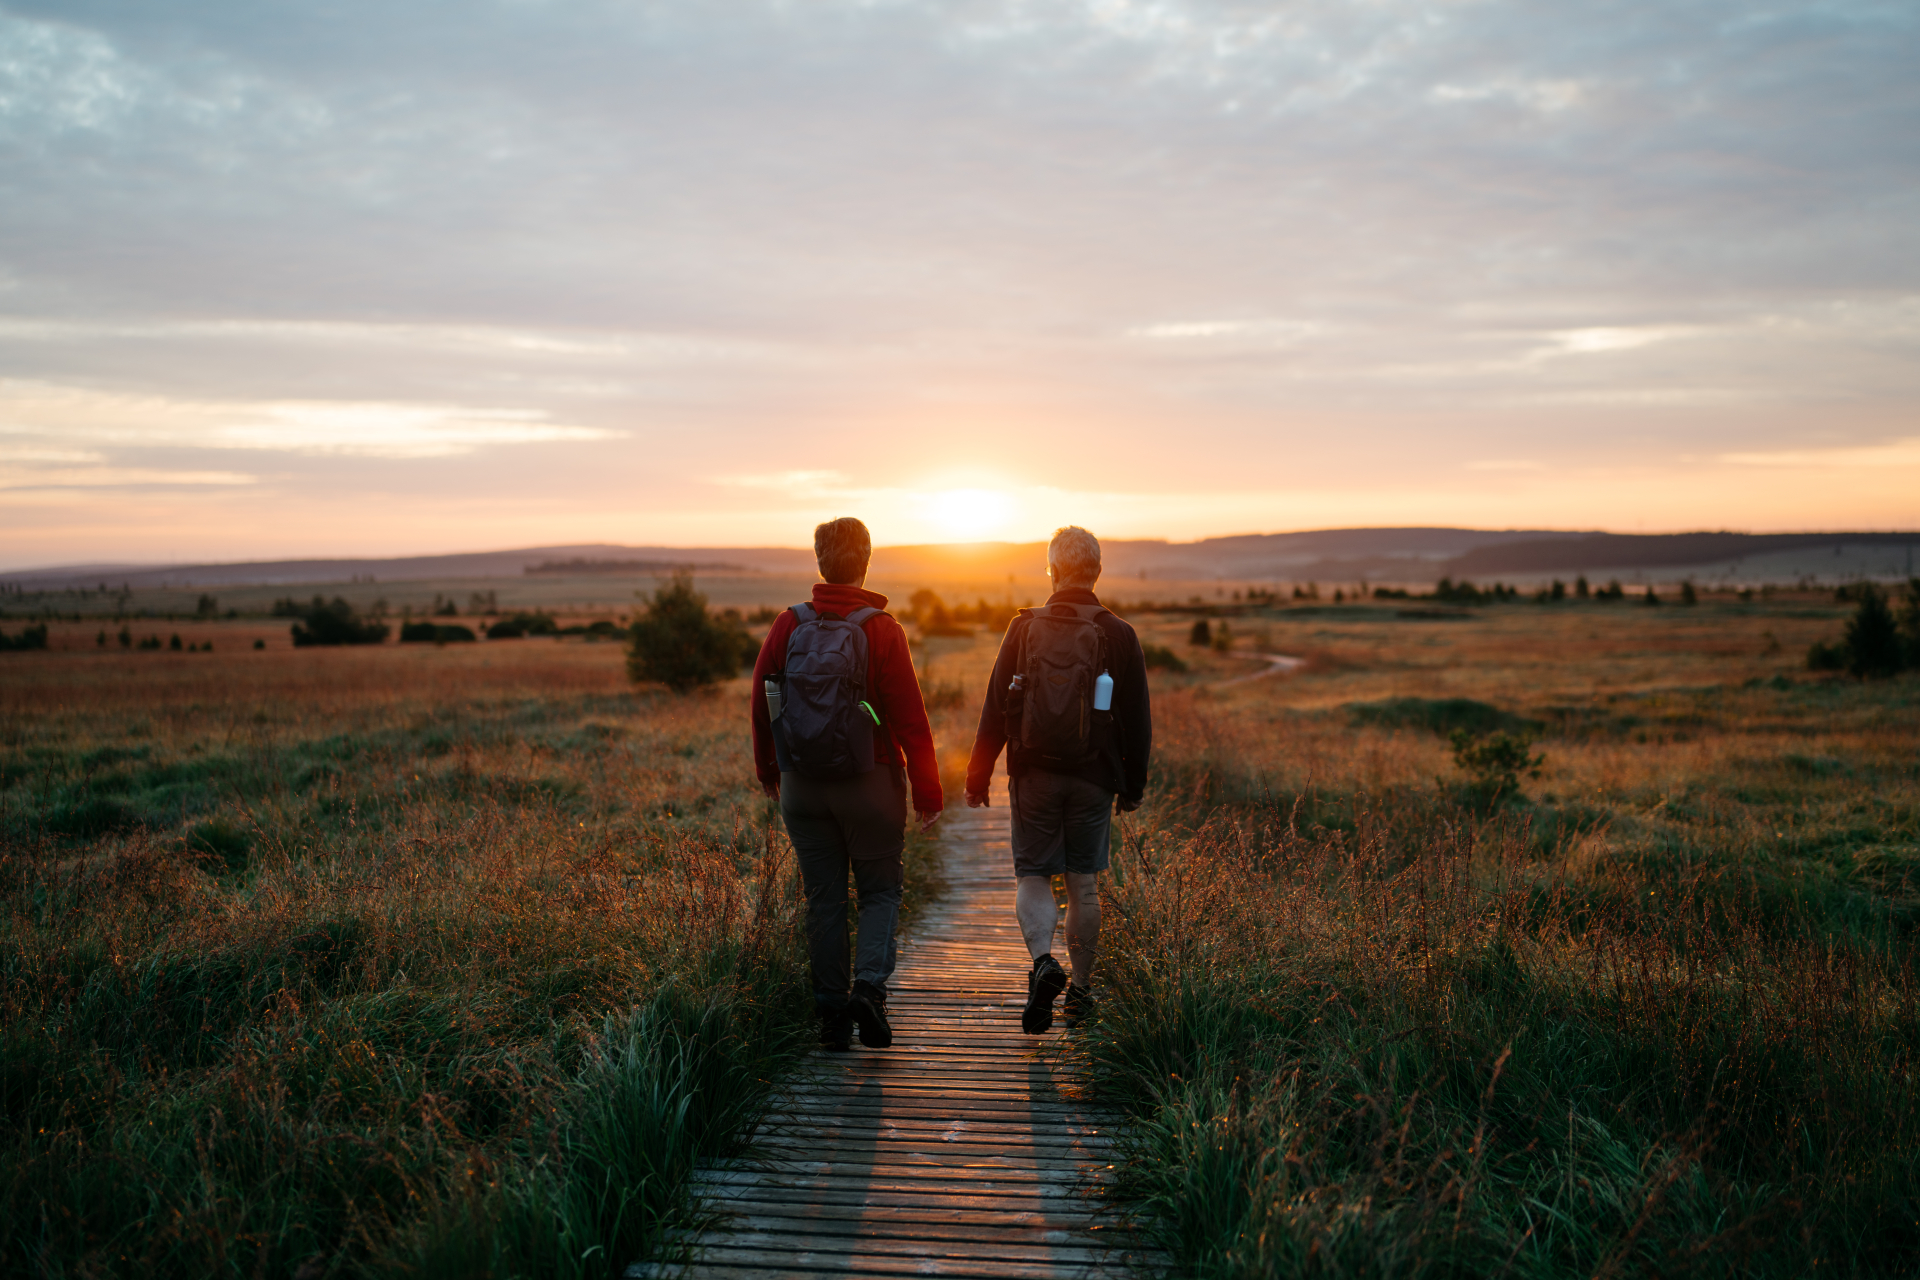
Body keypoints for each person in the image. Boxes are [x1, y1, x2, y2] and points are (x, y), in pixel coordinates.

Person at [751, 517, 942, 1051]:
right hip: (870, 786)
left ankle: (831, 1017)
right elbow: (911, 722)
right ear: (865, 562)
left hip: (802, 787)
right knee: (880, 891)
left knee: (824, 901)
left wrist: (772, 772)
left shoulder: (788, 625)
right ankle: (869, 991)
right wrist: (928, 794)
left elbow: (761, 702)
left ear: (819, 561)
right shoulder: (882, 629)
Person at [965, 525, 1151, 1032]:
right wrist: (1133, 785)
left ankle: (1044, 964)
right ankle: (1082, 993)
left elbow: (995, 705)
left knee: (1033, 875)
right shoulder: (1119, 633)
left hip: (1034, 773)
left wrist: (979, 774)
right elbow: (1137, 720)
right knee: (1083, 884)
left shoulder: (1023, 628)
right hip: (1095, 776)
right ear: (1096, 571)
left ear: (1051, 570)